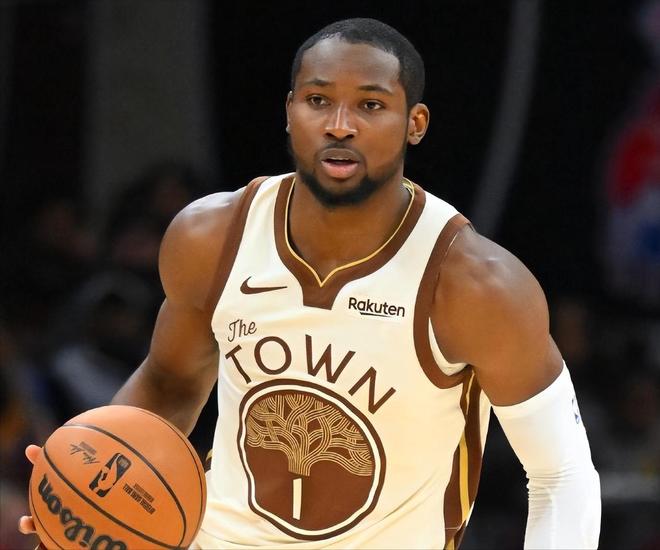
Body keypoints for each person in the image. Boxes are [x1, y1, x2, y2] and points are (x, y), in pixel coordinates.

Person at [20, 18, 601, 549]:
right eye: (319, 100)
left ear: (415, 124)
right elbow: (169, 385)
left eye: (370, 105)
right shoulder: (212, 236)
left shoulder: (476, 284)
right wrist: (85, 497)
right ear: (290, 110)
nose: (339, 125)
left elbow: (561, 474)